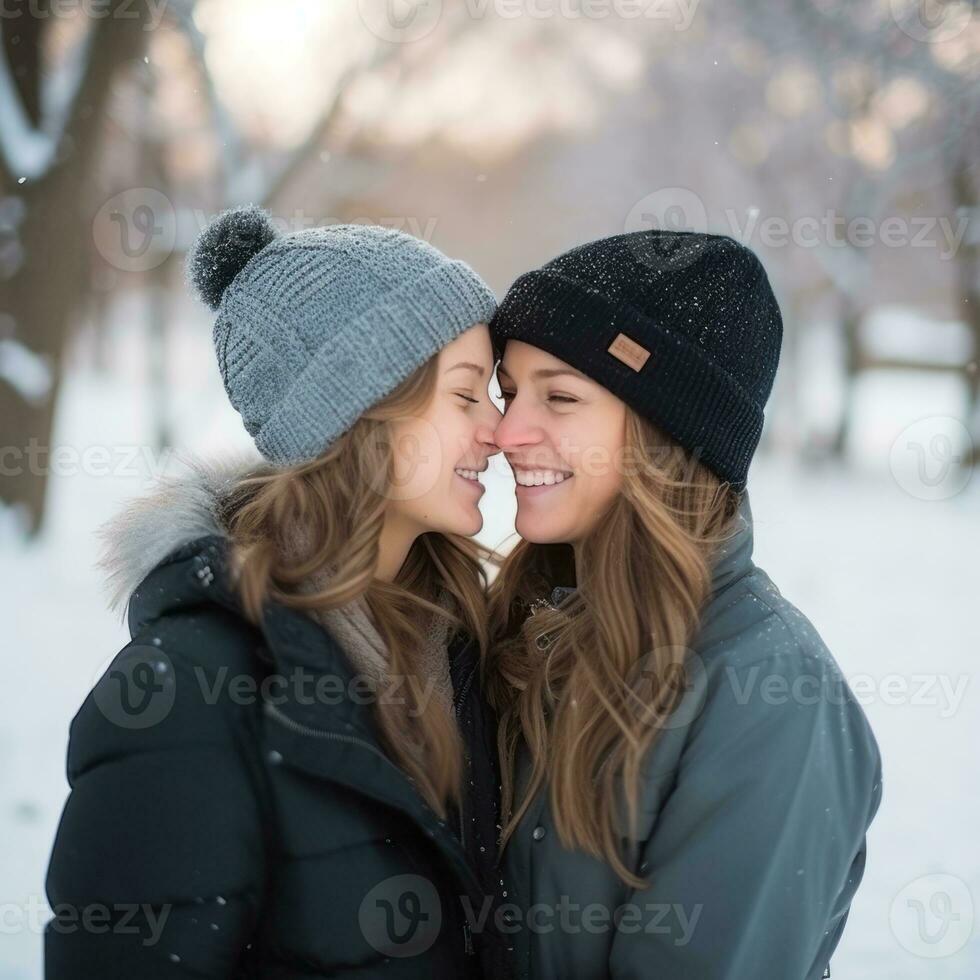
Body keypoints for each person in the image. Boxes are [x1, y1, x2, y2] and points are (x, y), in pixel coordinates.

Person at [44, 205, 511, 978]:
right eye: (466, 396)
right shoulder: (181, 699)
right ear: (359, 415)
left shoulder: (466, 649)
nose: (498, 429)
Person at [485, 230, 883, 979]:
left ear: (668, 435)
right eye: (510, 392)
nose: (506, 432)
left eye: (560, 397)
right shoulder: (526, 625)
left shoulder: (771, 697)